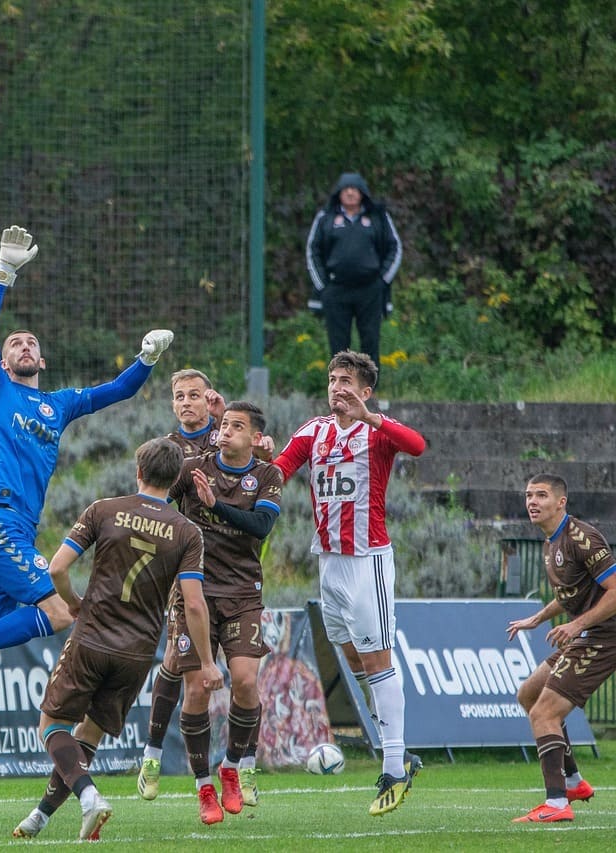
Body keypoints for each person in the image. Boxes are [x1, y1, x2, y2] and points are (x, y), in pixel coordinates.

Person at [0, 225, 173, 766]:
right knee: (60, 613)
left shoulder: (57, 405)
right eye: (16, 341)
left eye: (31, 344)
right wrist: (4, 272)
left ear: (41, 361)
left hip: (17, 529)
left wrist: (146, 358)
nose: (22, 345)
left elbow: (118, 391)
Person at [11, 437, 222, 841]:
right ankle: (40, 816)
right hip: (138, 652)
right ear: (175, 477)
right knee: (87, 734)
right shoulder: (187, 532)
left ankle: (89, 796)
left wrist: (74, 603)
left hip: (92, 637)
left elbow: (57, 568)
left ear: (138, 472)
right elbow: (194, 605)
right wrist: (208, 663)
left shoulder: (103, 510)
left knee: (52, 724)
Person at [271, 350, 426, 816]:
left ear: (365, 390)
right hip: (329, 561)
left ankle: (396, 765)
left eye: (347, 381)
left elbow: (417, 445)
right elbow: (280, 470)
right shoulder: (314, 431)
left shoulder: (376, 432)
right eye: (333, 379)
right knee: (355, 654)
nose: (338, 387)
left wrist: (372, 418)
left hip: (367, 558)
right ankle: (396, 748)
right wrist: (258, 463)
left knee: (378, 657)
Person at [140, 401, 283, 824]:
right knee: (199, 687)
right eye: (224, 425)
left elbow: (260, 527)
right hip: (193, 590)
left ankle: (232, 767)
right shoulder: (194, 467)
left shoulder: (268, 475)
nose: (226, 432)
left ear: (255, 439)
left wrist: (214, 505)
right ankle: (204, 786)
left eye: (237, 427)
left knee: (244, 682)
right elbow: (157, 497)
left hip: (242, 593)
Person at [507, 474, 614, 824]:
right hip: (586, 633)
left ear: (561, 502)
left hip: (604, 635)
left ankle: (556, 804)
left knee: (544, 714)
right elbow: (570, 593)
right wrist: (538, 618)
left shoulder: (582, 538)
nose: (532, 502)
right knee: (529, 694)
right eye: (528, 495)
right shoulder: (551, 540)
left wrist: (578, 624)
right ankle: (573, 782)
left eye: (541, 495)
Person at [305, 172, 402, 369]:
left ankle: (369, 391)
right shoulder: (326, 217)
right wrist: (322, 285)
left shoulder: (378, 217)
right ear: (339, 193)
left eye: (354, 189)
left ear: (362, 193)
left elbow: (395, 247)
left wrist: (383, 280)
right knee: (339, 346)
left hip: (370, 289)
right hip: (336, 289)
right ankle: (341, 391)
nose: (350, 193)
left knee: (370, 341)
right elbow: (312, 250)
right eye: (346, 189)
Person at [165, 369, 225, 456]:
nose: (186, 403)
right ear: (174, 405)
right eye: (180, 397)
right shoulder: (168, 447)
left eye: (194, 395)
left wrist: (222, 416)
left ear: (208, 401)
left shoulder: (225, 433)